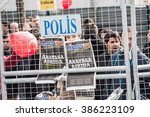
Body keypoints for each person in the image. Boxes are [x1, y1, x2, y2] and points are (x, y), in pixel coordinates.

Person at [107, 26, 150, 100]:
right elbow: (107, 82)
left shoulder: (143, 59)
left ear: (135, 39)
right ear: (121, 39)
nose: (128, 42)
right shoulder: (114, 57)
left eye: (131, 38)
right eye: (125, 39)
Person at [95, 31, 121, 100]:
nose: (115, 44)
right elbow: (99, 82)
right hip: (106, 95)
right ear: (106, 44)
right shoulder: (101, 58)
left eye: (117, 41)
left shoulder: (123, 56)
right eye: (112, 42)